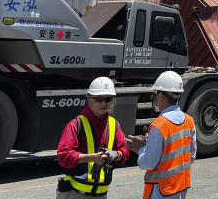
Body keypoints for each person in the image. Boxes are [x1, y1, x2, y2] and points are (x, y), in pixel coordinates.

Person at [127, 71, 197, 199]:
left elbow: (148, 163)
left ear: (160, 96)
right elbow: (190, 156)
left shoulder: (159, 126)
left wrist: (141, 149)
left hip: (161, 190)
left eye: (155, 94)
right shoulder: (189, 121)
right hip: (180, 188)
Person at [57, 76, 129, 199]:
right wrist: (91, 158)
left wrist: (116, 155)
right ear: (89, 100)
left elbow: (125, 149)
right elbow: (63, 156)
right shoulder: (76, 124)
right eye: (99, 99)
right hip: (75, 193)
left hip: (101, 194)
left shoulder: (114, 124)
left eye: (107, 99)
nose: (103, 103)